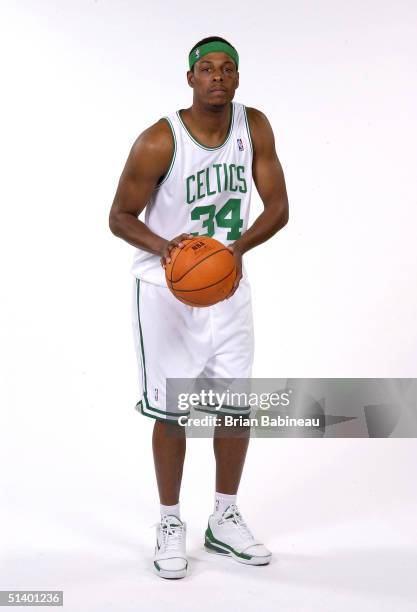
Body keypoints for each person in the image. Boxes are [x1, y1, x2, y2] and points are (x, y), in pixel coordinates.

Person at [109, 36, 289, 579]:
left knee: (235, 406)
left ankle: (225, 517)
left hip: (229, 287)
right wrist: (169, 250)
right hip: (166, 293)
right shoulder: (158, 140)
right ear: (190, 78)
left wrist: (233, 251)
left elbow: (278, 207)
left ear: (237, 78)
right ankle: (169, 522)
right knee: (173, 412)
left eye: (227, 68)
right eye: (206, 69)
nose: (217, 76)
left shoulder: (253, 126)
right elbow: (119, 215)